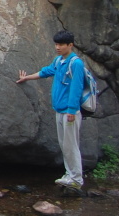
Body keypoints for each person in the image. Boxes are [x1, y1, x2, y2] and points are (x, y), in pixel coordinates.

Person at [16, 30, 87, 190]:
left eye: (61, 44)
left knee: (71, 144)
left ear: (70, 45)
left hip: (70, 112)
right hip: (60, 110)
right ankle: (69, 175)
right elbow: (46, 72)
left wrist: (71, 110)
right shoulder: (59, 61)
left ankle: (76, 178)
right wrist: (27, 77)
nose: (57, 47)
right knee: (64, 144)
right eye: (56, 44)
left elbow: (76, 87)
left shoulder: (75, 63)